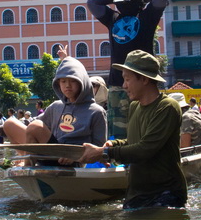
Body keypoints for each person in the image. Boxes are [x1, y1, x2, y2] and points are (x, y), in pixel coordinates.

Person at [72, 50, 187, 210]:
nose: (124, 85)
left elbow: (145, 149)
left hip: (165, 193)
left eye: (127, 79)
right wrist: (112, 145)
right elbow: (133, 142)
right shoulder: (134, 106)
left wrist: (103, 153)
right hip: (137, 192)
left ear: (144, 79)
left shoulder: (167, 107)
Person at [87, 0, 169, 139]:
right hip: (118, 85)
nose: (122, 4)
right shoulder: (113, 18)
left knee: (145, 131)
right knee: (119, 135)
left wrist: (142, 0)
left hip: (143, 82)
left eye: (127, 1)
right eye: (120, 2)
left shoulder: (147, 16)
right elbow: (92, 2)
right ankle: (120, 161)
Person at [4, 56, 107, 164]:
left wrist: (76, 156)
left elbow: (99, 147)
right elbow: (31, 125)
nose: (67, 86)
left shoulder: (96, 111)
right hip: (51, 152)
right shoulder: (56, 106)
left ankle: (27, 164)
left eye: (73, 81)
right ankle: (25, 160)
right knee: (9, 123)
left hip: (72, 159)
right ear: (58, 84)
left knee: (35, 127)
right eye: (63, 81)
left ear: (82, 82)